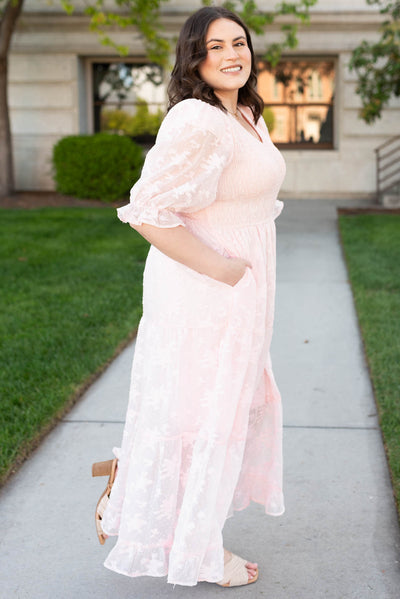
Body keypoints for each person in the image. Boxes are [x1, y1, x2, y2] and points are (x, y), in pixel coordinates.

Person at [92, 5, 286, 588]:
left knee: (225, 406)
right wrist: (224, 270)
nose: (232, 54)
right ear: (194, 59)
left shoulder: (247, 113)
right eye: (215, 46)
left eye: (239, 43)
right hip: (203, 287)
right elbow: (146, 211)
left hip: (241, 286)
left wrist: (245, 272)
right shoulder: (195, 120)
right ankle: (199, 550)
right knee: (206, 414)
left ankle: (131, 485)